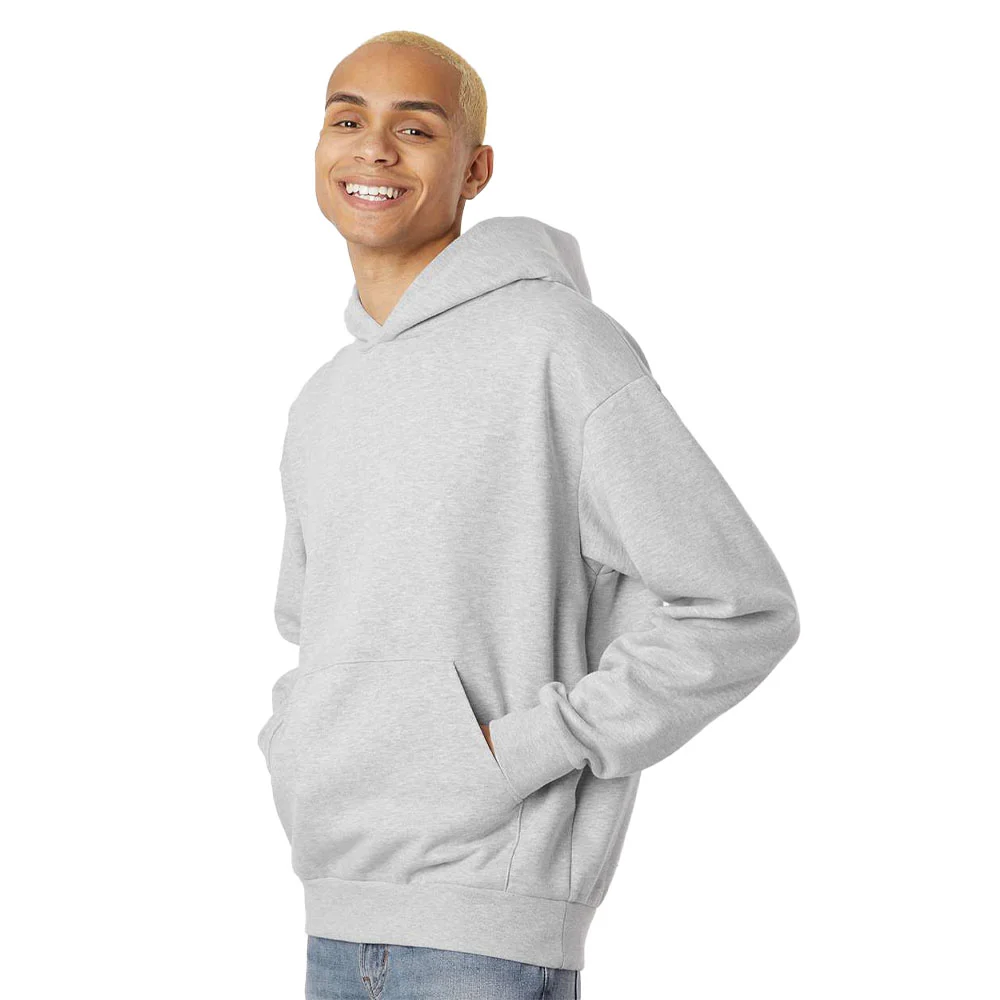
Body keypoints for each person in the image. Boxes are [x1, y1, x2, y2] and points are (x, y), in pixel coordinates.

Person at [256, 29, 801, 1000]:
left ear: (475, 170)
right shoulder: (322, 400)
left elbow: (736, 605)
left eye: (414, 128)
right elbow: (312, 628)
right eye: (347, 120)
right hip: (333, 909)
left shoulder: (554, 344)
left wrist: (519, 752)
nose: (373, 148)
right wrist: (299, 753)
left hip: (483, 935)